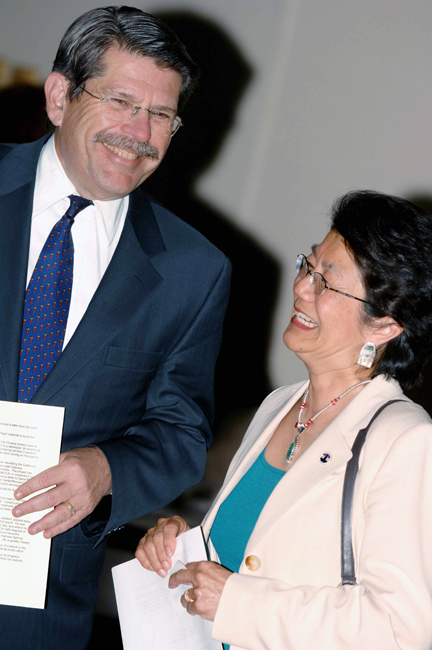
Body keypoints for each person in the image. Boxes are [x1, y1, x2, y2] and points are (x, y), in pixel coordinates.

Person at [0, 6, 230, 649]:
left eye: (161, 115)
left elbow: (180, 432)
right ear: (59, 96)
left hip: (37, 607)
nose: (140, 132)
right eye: (122, 101)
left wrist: (107, 470)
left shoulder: (194, 270)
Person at [137, 190, 432, 650]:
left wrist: (239, 604)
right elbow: (253, 555)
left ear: (385, 325)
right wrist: (183, 547)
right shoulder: (279, 405)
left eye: (325, 283)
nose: (300, 287)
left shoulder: (406, 440)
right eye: (307, 266)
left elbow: (401, 629)